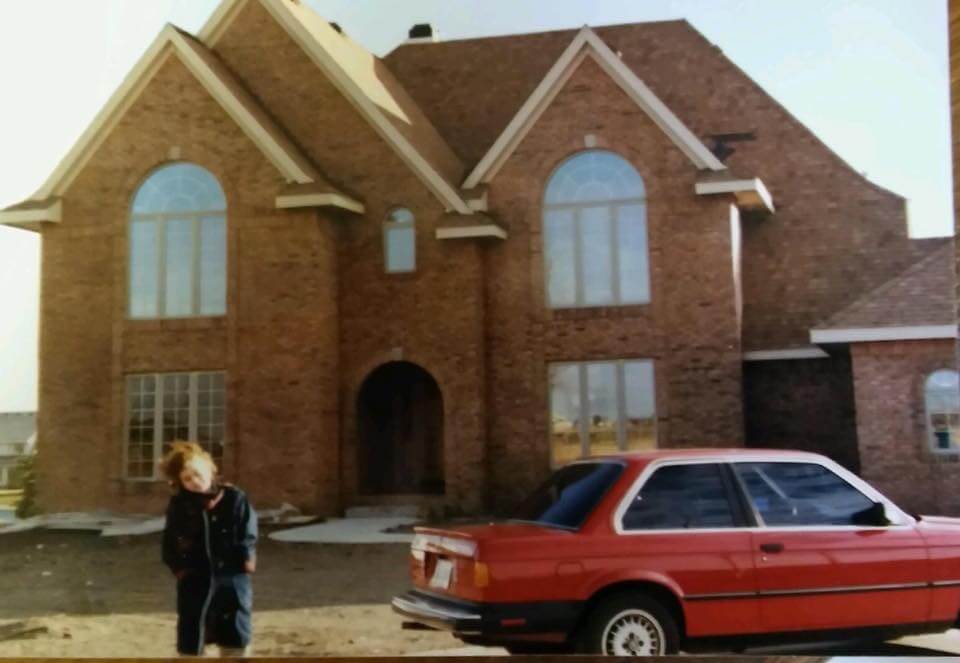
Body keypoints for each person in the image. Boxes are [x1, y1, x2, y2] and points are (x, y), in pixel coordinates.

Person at [161, 442, 257, 657]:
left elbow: (247, 533)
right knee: (192, 633)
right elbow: (170, 540)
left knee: (234, 633)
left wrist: (245, 560)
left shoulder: (234, 498)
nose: (195, 481)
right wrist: (180, 568)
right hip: (195, 579)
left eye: (197, 473)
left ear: (210, 468)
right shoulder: (180, 505)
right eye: (187, 479)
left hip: (231, 579)